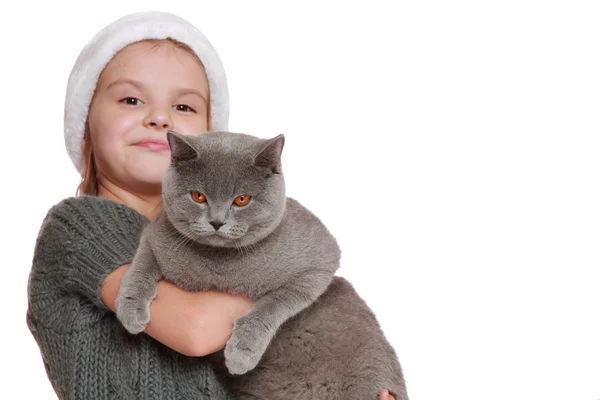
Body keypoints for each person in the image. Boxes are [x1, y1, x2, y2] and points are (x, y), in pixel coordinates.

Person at [26, 11, 398, 400]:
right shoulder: (78, 226)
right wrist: (288, 274)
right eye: (131, 99)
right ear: (83, 125)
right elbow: (195, 330)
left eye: (183, 108)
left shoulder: (207, 240)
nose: (160, 119)